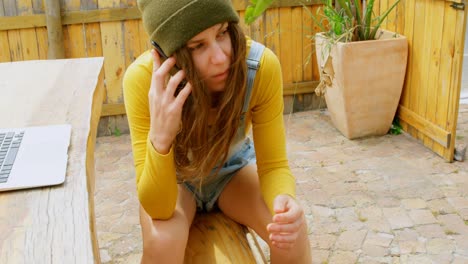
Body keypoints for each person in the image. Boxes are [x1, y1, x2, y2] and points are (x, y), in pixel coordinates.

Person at [123, 0, 312, 263]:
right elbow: (158, 207)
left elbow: (274, 164)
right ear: (169, 55)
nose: (221, 57)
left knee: (291, 234)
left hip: (232, 171)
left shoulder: (259, 67)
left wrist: (283, 200)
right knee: (163, 239)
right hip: (175, 180)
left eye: (222, 33)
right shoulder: (142, 81)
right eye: (197, 46)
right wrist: (161, 138)